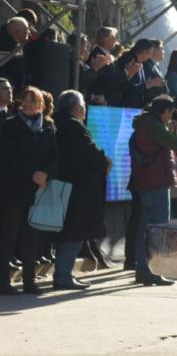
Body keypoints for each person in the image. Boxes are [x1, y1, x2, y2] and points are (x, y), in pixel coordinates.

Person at [0, 86, 58, 295]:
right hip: (13, 188)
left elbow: (55, 157)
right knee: (8, 234)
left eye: (33, 101)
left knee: (31, 236)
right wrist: (31, 172)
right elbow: (7, 157)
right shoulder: (10, 125)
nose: (28, 104)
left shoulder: (49, 127)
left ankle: (29, 281)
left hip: (38, 189)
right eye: (25, 100)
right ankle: (3, 281)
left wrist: (45, 173)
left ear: (41, 104)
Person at [52, 90, 110, 290]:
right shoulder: (74, 126)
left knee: (68, 233)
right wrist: (105, 160)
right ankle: (63, 276)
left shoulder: (58, 123)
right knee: (73, 233)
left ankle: (63, 274)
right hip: (77, 190)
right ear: (77, 108)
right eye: (83, 105)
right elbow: (91, 152)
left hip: (67, 186)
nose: (85, 108)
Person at [129, 95, 177, 286]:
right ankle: (151, 270)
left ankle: (142, 269)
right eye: (171, 113)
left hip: (146, 181)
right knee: (158, 229)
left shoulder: (144, 123)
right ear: (166, 111)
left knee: (145, 226)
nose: (172, 116)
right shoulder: (153, 126)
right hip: (156, 181)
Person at [116, 39, 164, 108]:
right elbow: (129, 88)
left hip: (135, 105)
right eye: (150, 53)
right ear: (144, 52)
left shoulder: (139, 62)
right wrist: (149, 84)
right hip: (126, 105)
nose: (150, 57)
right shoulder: (130, 61)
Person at [0, 16, 32, 92]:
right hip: (6, 85)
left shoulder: (14, 43)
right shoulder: (7, 45)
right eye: (26, 32)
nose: (28, 35)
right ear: (16, 31)